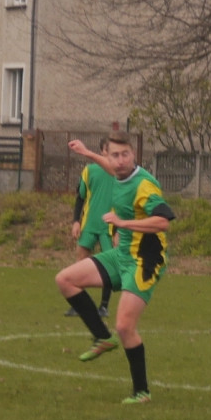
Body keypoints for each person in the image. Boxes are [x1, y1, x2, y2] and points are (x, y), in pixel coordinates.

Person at [55, 131, 175, 404]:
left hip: (144, 260)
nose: (119, 161)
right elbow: (109, 166)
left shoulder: (144, 185)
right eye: (114, 155)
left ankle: (141, 391)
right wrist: (87, 153)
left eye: (125, 155)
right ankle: (101, 337)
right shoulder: (117, 171)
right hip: (121, 254)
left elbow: (163, 221)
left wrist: (123, 224)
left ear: (134, 155)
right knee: (65, 279)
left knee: (124, 327)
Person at [64, 139, 115, 317]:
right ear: (102, 151)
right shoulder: (90, 171)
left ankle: (104, 306)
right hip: (89, 224)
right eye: (110, 150)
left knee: (109, 265)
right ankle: (79, 305)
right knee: (80, 261)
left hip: (109, 227)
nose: (113, 155)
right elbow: (80, 197)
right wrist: (75, 221)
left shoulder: (119, 173)